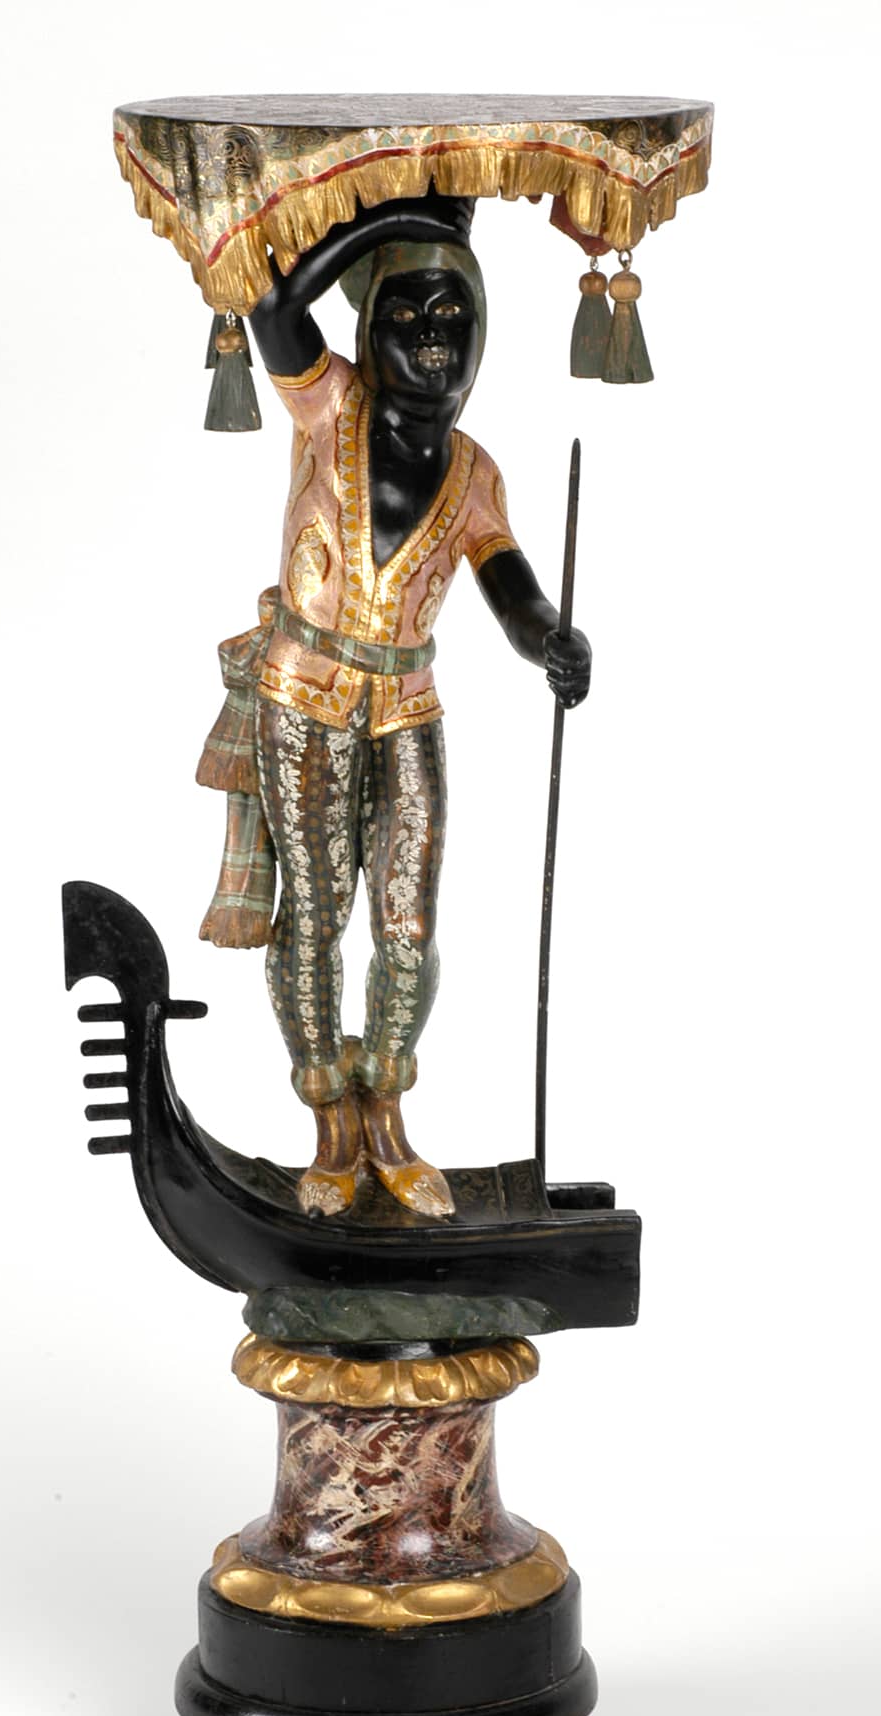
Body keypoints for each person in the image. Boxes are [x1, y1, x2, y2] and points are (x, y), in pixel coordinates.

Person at [200, 195, 591, 1220]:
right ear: (369, 334)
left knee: (409, 927)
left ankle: (386, 1110)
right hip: (306, 691)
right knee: (317, 912)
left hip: (408, 702)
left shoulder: (475, 474)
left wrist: (552, 639)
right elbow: (274, 307)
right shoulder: (329, 407)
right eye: (406, 318)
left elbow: (512, 590)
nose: (432, 341)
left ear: (481, 337)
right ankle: (330, 1119)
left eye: (453, 318)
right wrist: (393, 226)